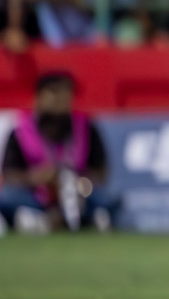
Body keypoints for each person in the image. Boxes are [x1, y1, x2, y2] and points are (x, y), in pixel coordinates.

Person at [0, 71, 114, 234]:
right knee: (8, 196)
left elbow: (101, 174)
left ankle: (82, 217)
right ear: (38, 97)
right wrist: (38, 178)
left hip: (77, 191)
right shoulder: (21, 131)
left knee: (104, 197)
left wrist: (73, 180)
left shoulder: (86, 128)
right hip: (35, 193)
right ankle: (40, 219)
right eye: (53, 92)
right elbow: (9, 175)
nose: (60, 100)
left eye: (66, 93)